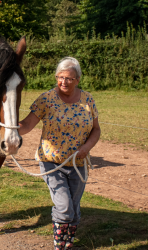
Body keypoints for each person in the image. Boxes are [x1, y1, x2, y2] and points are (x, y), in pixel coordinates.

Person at [18, 57, 101, 250]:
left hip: (79, 164)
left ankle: (67, 244)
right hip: (51, 163)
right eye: (60, 77)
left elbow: (96, 129)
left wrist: (87, 147)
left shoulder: (87, 99)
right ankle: (59, 246)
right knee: (64, 207)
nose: (64, 82)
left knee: (74, 208)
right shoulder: (46, 99)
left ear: (78, 80)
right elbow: (28, 124)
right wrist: (9, 129)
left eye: (69, 78)